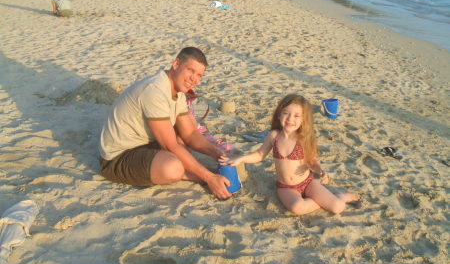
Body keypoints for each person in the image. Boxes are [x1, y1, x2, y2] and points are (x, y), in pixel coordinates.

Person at [99, 47, 232, 200]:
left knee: (182, 139)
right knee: (173, 167)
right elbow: (170, 146)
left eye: (199, 75)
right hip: (116, 157)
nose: (194, 79)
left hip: (144, 144)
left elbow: (190, 135)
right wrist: (208, 177)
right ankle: (195, 176)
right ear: (176, 64)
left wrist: (217, 153)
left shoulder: (178, 92)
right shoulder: (155, 90)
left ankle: (201, 174)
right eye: (190, 71)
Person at [220, 94, 360, 215]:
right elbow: (259, 155)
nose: (290, 119)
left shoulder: (303, 138)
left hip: (308, 182)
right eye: (286, 113)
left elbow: (312, 160)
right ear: (279, 114)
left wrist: (320, 171)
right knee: (297, 207)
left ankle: (341, 197)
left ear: (303, 119)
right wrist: (241, 158)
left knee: (337, 207)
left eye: (297, 115)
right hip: (285, 187)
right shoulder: (274, 136)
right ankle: (326, 198)